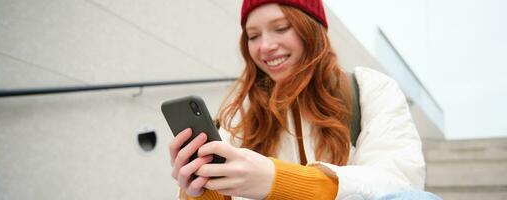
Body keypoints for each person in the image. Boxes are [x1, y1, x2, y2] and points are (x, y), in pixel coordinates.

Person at [168, 0, 441, 199]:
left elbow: (400, 184)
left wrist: (279, 181)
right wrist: (201, 190)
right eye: (253, 36)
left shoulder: (369, 87)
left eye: (281, 27)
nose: (265, 46)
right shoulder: (243, 112)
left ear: (312, 29)